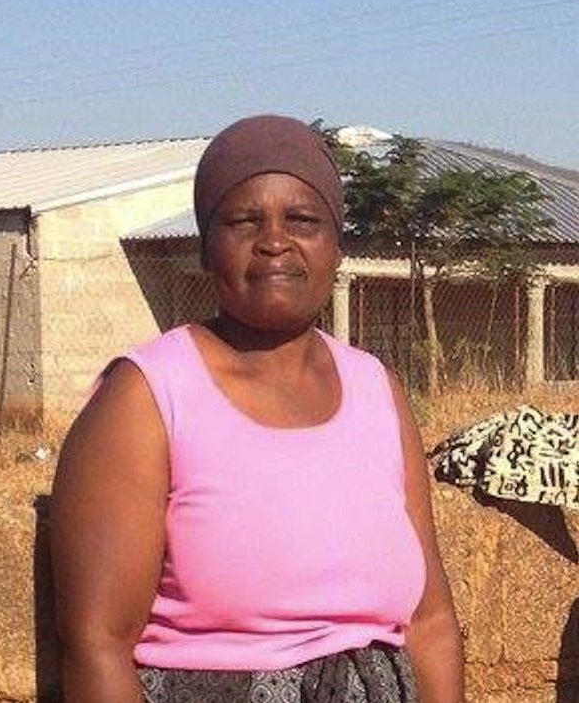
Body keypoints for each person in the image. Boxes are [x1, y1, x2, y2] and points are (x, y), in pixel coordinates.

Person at [50, 115, 465, 703]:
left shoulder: (377, 389)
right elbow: (98, 646)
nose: (274, 240)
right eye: (243, 220)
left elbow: (431, 623)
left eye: (303, 220)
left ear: (336, 247)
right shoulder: (148, 396)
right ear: (204, 247)